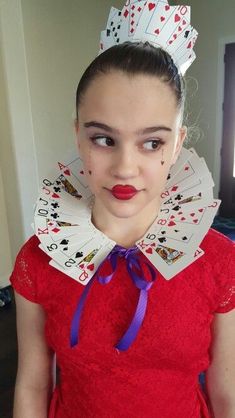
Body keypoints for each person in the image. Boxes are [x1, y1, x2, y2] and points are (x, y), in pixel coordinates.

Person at [10, 4, 235, 418]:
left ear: (177, 143)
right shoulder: (37, 260)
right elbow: (33, 384)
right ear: (78, 136)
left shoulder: (220, 263)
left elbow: (227, 394)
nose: (126, 168)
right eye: (104, 139)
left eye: (152, 142)